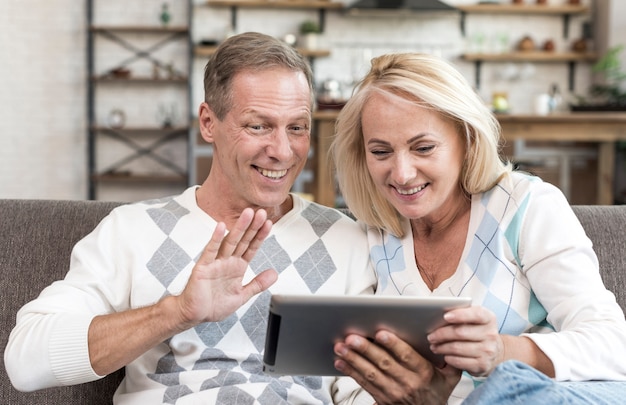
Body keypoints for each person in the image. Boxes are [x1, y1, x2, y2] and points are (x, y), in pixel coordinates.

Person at [5, 32, 377, 405]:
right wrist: (176, 313)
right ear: (208, 123)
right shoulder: (133, 229)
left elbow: (362, 389)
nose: (282, 151)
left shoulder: (346, 238)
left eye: (297, 127)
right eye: (258, 126)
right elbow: (25, 360)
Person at [329, 52, 626, 404]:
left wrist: (501, 351)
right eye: (380, 152)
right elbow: (347, 385)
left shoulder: (525, 206)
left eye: (423, 148)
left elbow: (613, 345)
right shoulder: (369, 232)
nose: (402, 173)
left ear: (467, 139)